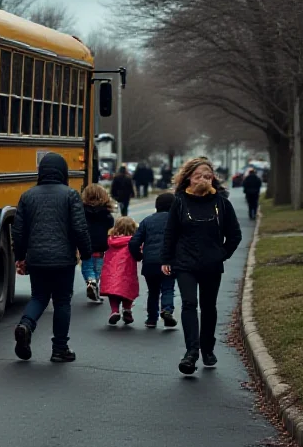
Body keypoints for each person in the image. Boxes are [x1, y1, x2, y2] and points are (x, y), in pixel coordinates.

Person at [162, 157, 242, 375]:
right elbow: (170, 233)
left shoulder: (222, 203)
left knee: (208, 307)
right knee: (189, 303)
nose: (203, 179)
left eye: (208, 176)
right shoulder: (179, 202)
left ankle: (208, 347)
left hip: (211, 264)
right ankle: (191, 353)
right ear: (189, 177)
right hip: (185, 262)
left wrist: (222, 254)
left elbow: (235, 235)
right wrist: (167, 259)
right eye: (199, 175)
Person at [12, 152, 92, 363]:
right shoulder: (70, 195)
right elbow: (80, 228)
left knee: (39, 297)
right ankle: (59, 349)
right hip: (63, 259)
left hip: (37, 258)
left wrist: (20, 257)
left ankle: (26, 325)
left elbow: (18, 231)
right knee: (62, 301)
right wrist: (86, 254)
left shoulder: (28, 196)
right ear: (63, 172)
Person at [129, 192, 178, 329]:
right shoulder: (176, 221)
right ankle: (167, 310)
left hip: (150, 262)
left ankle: (151, 319)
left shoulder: (147, 221)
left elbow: (134, 242)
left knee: (153, 291)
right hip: (169, 261)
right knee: (168, 288)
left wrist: (138, 256)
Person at [100, 216, 140, 325]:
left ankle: (115, 311)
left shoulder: (110, 240)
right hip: (127, 271)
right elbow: (139, 252)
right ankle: (127, 309)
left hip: (111, 271)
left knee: (113, 292)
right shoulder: (133, 241)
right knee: (128, 289)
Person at [81, 183, 115, 302]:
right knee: (98, 267)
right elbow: (111, 229)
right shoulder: (107, 214)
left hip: (85, 244)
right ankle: (95, 284)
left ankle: (91, 281)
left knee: (87, 266)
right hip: (101, 245)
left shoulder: (81, 212)